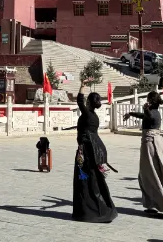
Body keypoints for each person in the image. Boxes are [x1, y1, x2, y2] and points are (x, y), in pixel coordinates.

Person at [129, 91, 163, 218]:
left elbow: (149, 117)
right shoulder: (154, 112)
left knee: (149, 175)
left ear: (151, 101)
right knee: (147, 175)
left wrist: (146, 109)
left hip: (150, 145)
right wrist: (131, 113)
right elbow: (145, 116)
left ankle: (156, 204)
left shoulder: (154, 113)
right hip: (150, 143)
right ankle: (152, 204)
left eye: (148, 99)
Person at [71, 82, 117, 223]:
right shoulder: (94, 117)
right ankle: (97, 208)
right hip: (93, 150)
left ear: (89, 102)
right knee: (93, 178)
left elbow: (79, 101)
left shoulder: (88, 115)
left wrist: (82, 86)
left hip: (85, 151)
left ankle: (90, 211)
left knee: (84, 179)